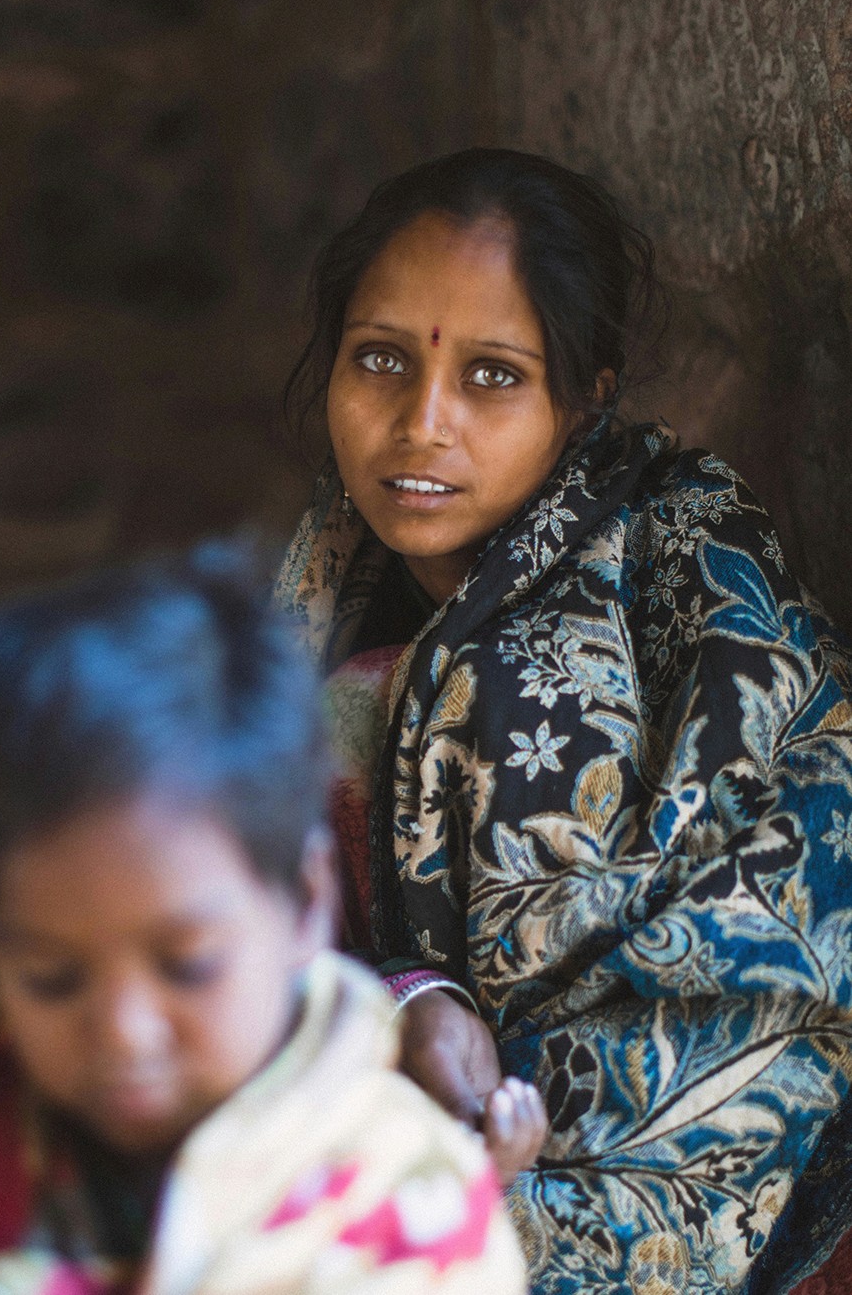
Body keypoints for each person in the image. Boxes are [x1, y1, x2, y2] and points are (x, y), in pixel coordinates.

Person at [275, 146, 852, 1294]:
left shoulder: (694, 570)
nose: (419, 422)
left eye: (491, 375)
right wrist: (407, 1001)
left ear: (585, 390)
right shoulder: (312, 608)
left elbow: (788, 877)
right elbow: (207, 921)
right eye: (378, 359)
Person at [0, 543, 536, 1295]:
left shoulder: (406, 1194)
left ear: (303, 906)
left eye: (189, 966)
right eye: (50, 978)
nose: (124, 1030)